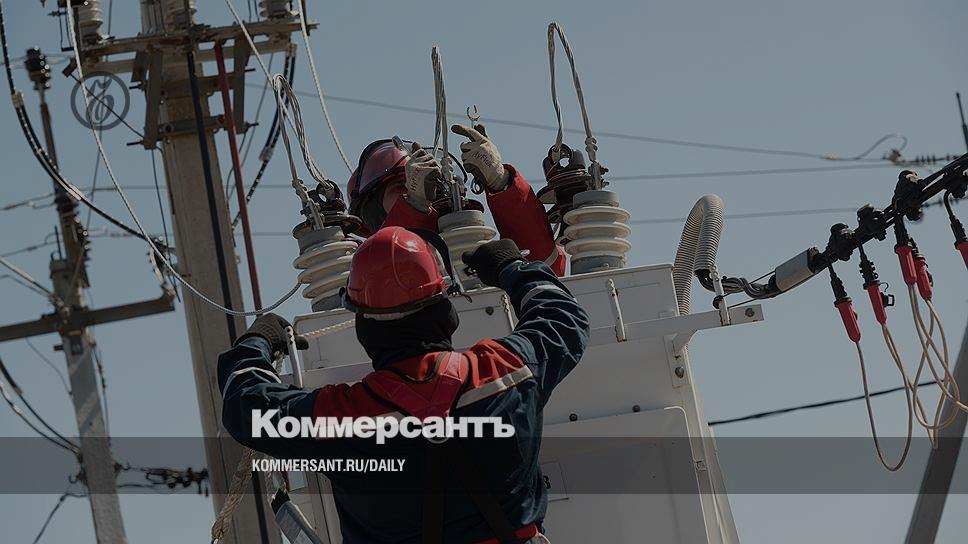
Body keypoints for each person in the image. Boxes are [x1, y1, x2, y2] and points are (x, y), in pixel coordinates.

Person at [218, 228, 589, 543]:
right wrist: (511, 267)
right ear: (444, 311)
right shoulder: (504, 373)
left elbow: (244, 404)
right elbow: (562, 318)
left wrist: (258, 342)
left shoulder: (341, 419)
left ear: (365, 329)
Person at [346, 124, 566, 275]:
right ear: (372, 212)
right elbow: (389, 275)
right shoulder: (360, 279)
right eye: (401, 187)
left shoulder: (488, 262)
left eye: (426, 182)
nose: (426, 189)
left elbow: (544, 267)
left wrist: (501, 182)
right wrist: (414, 205)